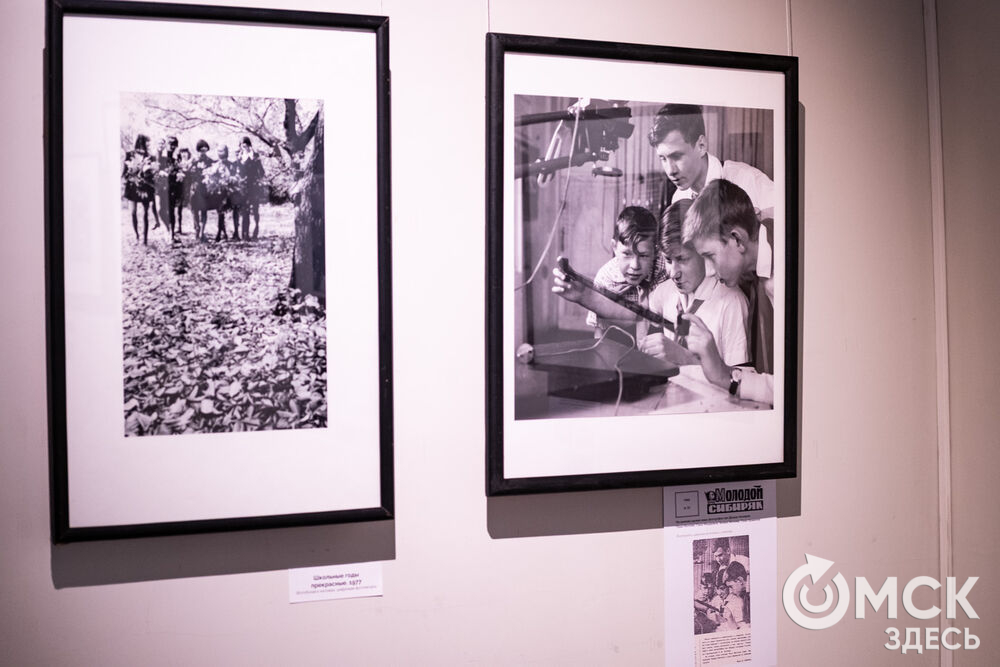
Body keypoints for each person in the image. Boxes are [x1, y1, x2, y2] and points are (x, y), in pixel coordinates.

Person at [681, 179, 775, 405]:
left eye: (710, 256)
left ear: (737, 239)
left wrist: (723, 376)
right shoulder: (761, 267)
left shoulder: (788, 275)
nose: (709, 271)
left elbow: (796, 386)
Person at [640, 199, 749, 367]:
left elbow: (738, 377)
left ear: (704, 252)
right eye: (668, 260)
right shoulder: (664, 293)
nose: (673, 273)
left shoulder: (732, 303)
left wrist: (686, 359)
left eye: (682, 259)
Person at [552, 205, 667, 345]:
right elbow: (599, 333)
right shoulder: (605, 278)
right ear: (614, 247)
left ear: (655, 252)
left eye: (643, 255)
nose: (635, 266)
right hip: (619, 342)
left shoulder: (665, 269)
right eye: (627, 254)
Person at [648, 103, 774, 219]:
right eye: (663, 158)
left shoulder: (749, 179)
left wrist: (760, 218)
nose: (670, 171)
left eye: (677, 156)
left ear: (701, 146)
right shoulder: (678, 199)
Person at [122, 133, 156, 244]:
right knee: (133, 212)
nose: (148, 145)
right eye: (147, 143)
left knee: (146, 213)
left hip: (145, 186)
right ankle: (137, 235)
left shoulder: (150, 157)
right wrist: (131, 173)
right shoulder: (130, 155)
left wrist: (149, 173)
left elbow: (153, 174)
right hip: (132, 186)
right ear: (141, 143)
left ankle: (145, 238)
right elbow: (124, 173)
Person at [237, 136, 265, 240]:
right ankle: (245, 234)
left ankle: (256, 230)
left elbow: (262, 171)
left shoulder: (255, 156)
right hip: (243, 187)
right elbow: (237, 171)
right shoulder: (239, 157)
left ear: (249, 145)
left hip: (254, 186)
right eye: (242, 146)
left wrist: (259, 179)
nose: (244, 148)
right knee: (245, 210)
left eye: (246, 146)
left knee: (255, 210)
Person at [719, 561, 751, 632]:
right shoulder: (745, 595)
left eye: (731, 586)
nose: (730, 591)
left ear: (740, 580)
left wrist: (732, 622)